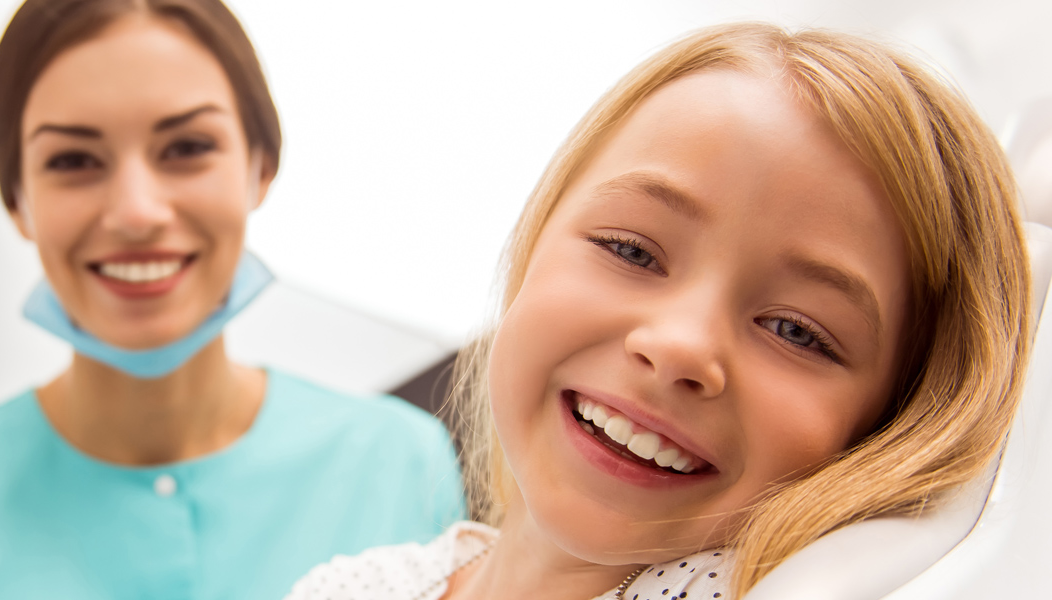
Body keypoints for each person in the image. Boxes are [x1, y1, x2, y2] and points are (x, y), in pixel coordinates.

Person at [286, 22, 1030, 600]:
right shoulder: (355, 583)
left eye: (797, 331)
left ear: (895, 428)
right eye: (631, 251)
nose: (679, 345)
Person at [0, 1, 464, 598]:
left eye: (187, 148)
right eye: (73, 160)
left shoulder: (401, 467)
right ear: (17, 199)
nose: (136, 212)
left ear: (261, 167)